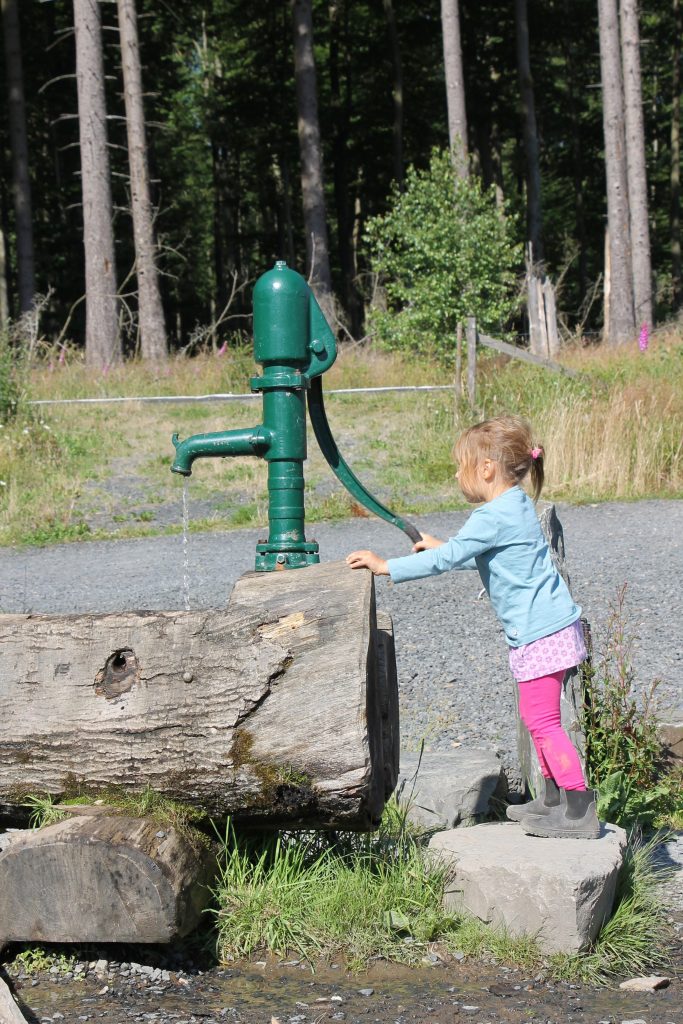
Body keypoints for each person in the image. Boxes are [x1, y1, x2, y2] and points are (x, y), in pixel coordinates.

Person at [346, 414, 600, 840]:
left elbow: (451, 559)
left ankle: (579, 808)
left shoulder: (492, 514)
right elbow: (474, 554)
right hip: (547, 630)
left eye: (460, 465)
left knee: (543, 721)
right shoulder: (514, 503)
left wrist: (387, 566)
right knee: (536, 716)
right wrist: (444, 545)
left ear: (486, 469)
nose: (455, 474)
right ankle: (554, 800)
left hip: (541, 634)